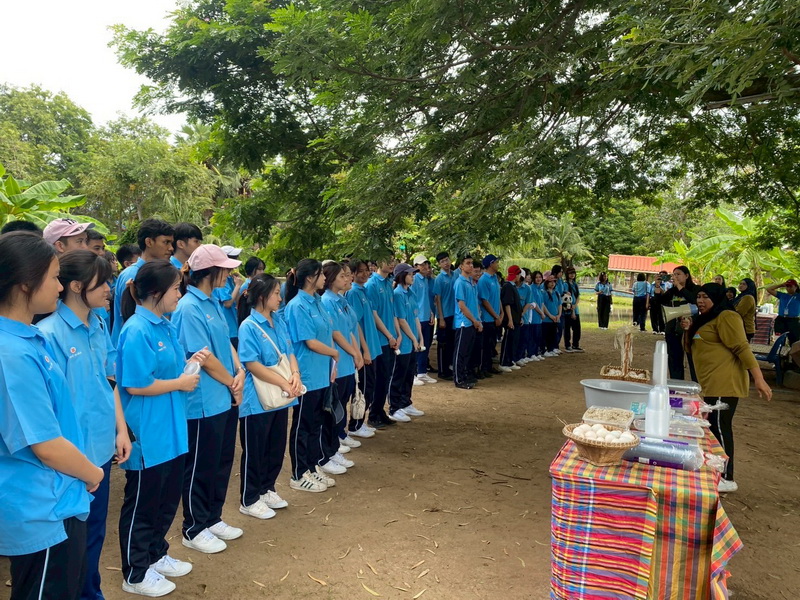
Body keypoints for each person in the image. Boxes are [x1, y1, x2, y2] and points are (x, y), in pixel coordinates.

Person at [0, 232, 103, 600]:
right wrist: (93, 473)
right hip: (41, 507)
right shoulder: (11, 353)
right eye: (55, 277)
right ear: (26, 283)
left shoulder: (26, 337)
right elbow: (45, 444)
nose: (61, 287)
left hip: (56, 495)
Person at [38, 250, 132, 600]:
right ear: (76, 286)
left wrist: (121, 430)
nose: (110, 288)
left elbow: (110, 382)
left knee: (93, 533)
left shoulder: (99, 325)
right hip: (70, 460)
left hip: (101, 449)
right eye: (102, 282)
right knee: (68, 542)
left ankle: (91, 592)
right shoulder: (48, 335)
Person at [116, 260, 207, 597]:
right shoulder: (137, 330)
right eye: (175, 289)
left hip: (171, 428)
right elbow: (136, 384)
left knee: (166, 499)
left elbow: (168, 372)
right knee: (143, 503)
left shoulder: (165, 325)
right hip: (149, 432)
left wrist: (189, 367)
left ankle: (156, 554)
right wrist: (180, 383)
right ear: (155, 292)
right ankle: (135, 572)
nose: (179, 294)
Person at [172, 245, 245, 555]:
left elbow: (226, 344)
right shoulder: (189, 307)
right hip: (203, 401)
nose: (228, 274)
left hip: (223, 395)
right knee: (200, 465)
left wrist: (239, 371)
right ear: (209, 272)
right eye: (224, 269)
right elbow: (203, 355)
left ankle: (212, 517)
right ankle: (194, 527)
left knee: (221, 460)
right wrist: (231, 381)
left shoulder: (213, 301)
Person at [682, 283, 772, 493]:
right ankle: (716, 470)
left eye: (705, 297)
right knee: (713, 428)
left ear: (717, 298)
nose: (700, 301)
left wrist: (758, 378)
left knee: (721, 428)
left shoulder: (727, 317)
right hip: (710, 384)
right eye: (699, 296)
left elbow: (742, 347)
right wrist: (688, 329)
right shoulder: (705, 319)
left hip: (725, 383)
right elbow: (691, 348)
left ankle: (727, 477)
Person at [237, 274, 301, 518]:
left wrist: (295, 374)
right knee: (256, 450)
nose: (280, 297)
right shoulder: (249, 326)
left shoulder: (278, 320)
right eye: (276, 293)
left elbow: (289, 351)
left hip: (280, 397)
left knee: (275, 447)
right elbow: (252, 364)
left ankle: (267, 488)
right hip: (257, 399)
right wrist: (284, 381)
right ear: (262, 297)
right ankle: (249, 497)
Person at [284, 259, 339, 491]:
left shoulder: (317, 301)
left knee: (316, 423)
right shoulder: (297, 306)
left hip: (321, 373)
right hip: (306, 375)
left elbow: (326, 332)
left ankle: (312, 466)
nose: (325, 278)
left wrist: (332, 363)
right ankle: (298, 473)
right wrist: (334, 353)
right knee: (303, 425)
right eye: (321, 274)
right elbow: (310, 341)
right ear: (309, 278)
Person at [320, 262, 361, 470]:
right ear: (331, 279)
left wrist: (357, 352)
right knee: (334, 409)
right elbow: (335, 333)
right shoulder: (327, 301)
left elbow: (350, 329)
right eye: (342, 276)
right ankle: (330, 449)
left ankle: (336, 443)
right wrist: (353, 352)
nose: (347, 279)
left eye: (347, 275)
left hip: (347, 362)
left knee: (342, 403)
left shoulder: (341, 300)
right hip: (337, 362)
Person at [111, 219, 175, 345]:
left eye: (171, 243)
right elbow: (129, 315)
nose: (171, 248)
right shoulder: (131, 275)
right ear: (149, 242)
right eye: (166, 242)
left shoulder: (163, 272)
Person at [364, 257, 401, 429]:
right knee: (379, 379)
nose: (392, 264)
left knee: (386, 377)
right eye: (388, 260)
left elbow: (391, 312)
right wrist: (388, 335)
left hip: (390, 339)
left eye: (393, 260)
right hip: (380, 340)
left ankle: (380, 411)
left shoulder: (388, 283)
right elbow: (374, 315)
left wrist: (397, 334)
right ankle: (373, 415)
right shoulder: (372, 285)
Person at [345, 260, 380, 438]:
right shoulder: (353, 293)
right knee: (363, 387)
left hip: (371, 346)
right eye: (361, 271)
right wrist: (364, 350)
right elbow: (356, 324)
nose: (365, 274)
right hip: (363, 348)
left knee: (370, 386)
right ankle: (355, 424)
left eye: (367, 270)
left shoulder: (364, 291)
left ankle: (361, 422)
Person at [389, 263, 427, 412]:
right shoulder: (398, 294)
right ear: (402, 276)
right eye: (410, 274)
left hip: (413, 341)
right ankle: (395, 406)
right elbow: (401, 320)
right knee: (399, 374)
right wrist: (413, 338)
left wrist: (420, 338)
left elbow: (416, 317)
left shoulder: (411, 293)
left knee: (410, 373)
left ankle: (406, 402)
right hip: (404, 342)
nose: (413, 277)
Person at [663, 266, 701, 380]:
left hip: (691, 330)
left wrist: (680, 287)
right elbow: (659, 301)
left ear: (687, 276)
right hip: (673, 329)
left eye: (678, 274)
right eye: (674, 274)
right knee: (674, 360)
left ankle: (696, 384)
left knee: (693, 359)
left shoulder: (696, 289)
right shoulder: (672, 291)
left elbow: (693, 300)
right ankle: (677, 384)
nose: (675, 277)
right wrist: (657, 286)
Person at [452, 256, 482, 389]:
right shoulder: (460, 282)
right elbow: (462, 305)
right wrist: (474, 320)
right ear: (461, 266)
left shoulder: (471, 282)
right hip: (464, 322)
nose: (471, 266)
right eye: (468, 263)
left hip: (472, 322)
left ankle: (464, 375)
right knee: (460, 352)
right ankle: (458, 379)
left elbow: (474, 304)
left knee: (467, 352)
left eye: (471, 263)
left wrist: (478, 321)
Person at [411, 254, 437, 385]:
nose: (425, 266)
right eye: (422, 264)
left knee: (425, 345)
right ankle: (414, 373)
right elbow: (412, 299)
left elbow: (426, 299)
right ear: (416, 266)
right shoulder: (414, 279)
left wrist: (431, 312)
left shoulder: (426, 280)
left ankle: (422, 372)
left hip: (427, 316)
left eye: (426, 264)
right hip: (418, 318)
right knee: (417, 346)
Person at [212, 246, 245, 350]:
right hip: (228, 326)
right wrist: (238, 286)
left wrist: (236, 285)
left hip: (233, 325)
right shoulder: (222, 281)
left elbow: (236, 301)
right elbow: (227, 303)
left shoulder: (230, 279)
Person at [477, 255, 503, 377]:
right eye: (496, 262)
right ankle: (483, 368)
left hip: (495, 317)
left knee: (492, 344)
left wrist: (501, 313)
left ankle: (489, 366)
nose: (498, 264)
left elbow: (497, 297)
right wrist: (496, 316)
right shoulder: (484, 280)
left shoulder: (495, 278)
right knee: (485, 344)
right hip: (487, 318)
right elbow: (484, 300)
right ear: (491, 264)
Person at [433, 252, 456, 380]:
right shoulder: (439, 279)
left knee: (452, 342)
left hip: (454, 314)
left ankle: (450, 367)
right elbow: (438, 299)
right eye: (442, 261)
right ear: (439, 264)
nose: (446, 263)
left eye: (446, 260)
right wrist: (441, 318)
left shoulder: (455, 275)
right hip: (444, 315)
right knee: (443, 343)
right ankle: (442, 371)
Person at [499, 265, 523, 371]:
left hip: (516, 319)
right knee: (508, 341)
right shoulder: (508, 286)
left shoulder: (513, 286)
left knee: (513, 341)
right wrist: (510, 320)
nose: (519, 277)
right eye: (518, 274)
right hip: (511, 320)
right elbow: (507, 304)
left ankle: (510, 361)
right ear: (516, 275)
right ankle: (503, 362)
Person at [766, 279, 800, 344]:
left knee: (794, 341)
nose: (788, 288)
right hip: (781, 320)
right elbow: (769, 289)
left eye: (791, 286)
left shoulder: (798, 296)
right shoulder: (782, 295)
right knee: (779, 341)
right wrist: (781, 285)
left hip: (793, 321)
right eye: (787, 286)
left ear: (795, 287)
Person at [563, 267, 583, 352]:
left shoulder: (575, 284)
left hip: (575, 308)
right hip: (568, 310)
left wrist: (575, 306)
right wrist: (572, 310)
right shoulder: (566, 284)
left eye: (573, 273)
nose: (572, 275)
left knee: (577, 329)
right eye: (570, 273)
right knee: (567, 329)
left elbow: (578, 296)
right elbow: (567, 299)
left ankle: (575, 344)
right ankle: (567, 345)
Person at [541, 277, 562, 357]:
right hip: (546, 319)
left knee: (553, 334)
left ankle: (551, 349)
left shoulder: (556, 293)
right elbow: (543, 305)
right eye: (550, 282)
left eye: (554, 282)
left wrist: (559, 315)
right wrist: (550, 315)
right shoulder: (544, 293)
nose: (552, 283)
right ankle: (544, 350)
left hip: (555, 318)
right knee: (545, 335)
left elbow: (559, 304)